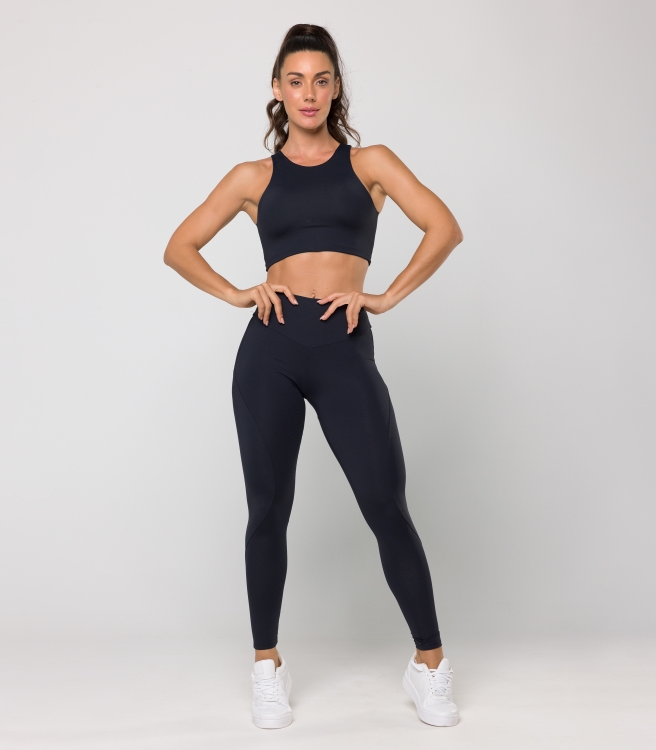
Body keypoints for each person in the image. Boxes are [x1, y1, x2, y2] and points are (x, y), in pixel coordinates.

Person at [164, 23, 464, 729]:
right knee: (268, 508)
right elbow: (179, 246)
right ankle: (267, 666)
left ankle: (429, 666)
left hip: (343, 347)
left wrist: (384, 296)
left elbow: (444, 227)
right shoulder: (253, 178)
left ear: (335, 89)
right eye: (295, 80)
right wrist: (238, 292)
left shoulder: (370, 164)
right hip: (269, 349)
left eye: (321, 80)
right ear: (277, 89)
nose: (308, 93)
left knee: (385, 504)